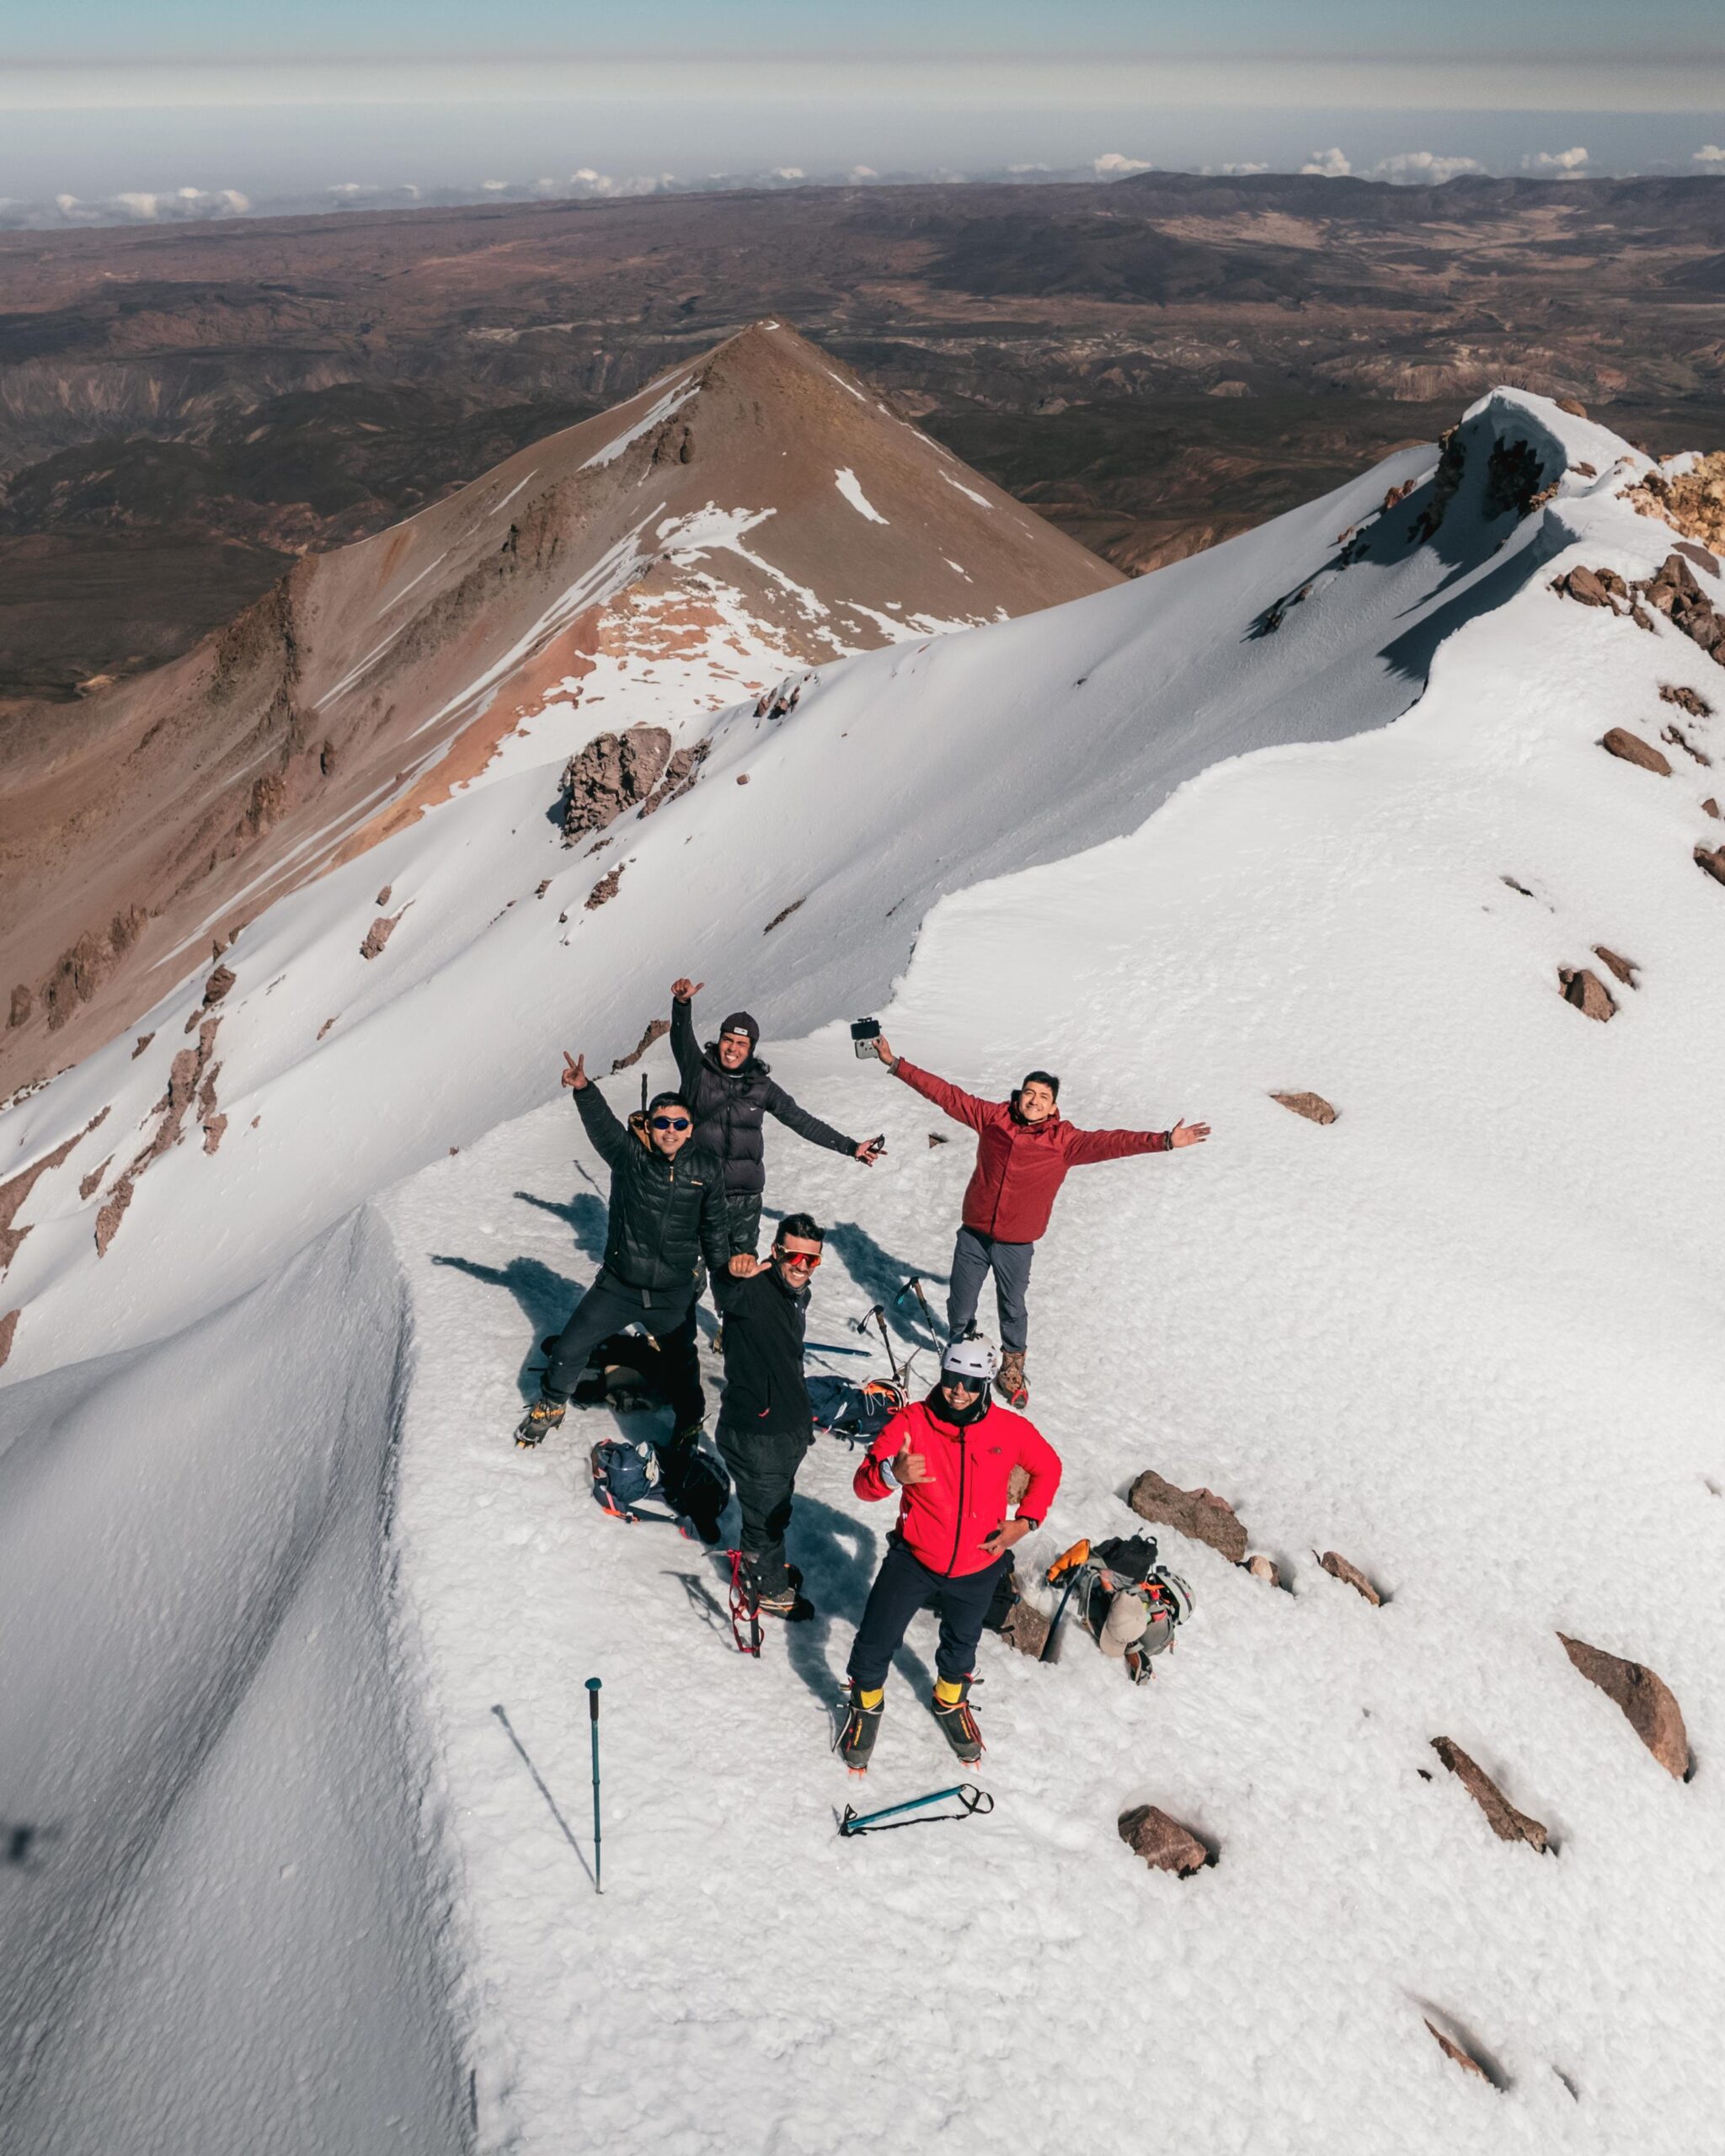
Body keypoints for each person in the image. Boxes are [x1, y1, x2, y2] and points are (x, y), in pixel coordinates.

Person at [871, 1034, 1210, 1407]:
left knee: (1012, 1307)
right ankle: (962, 1355)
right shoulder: (993, 1119)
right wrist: (896, 1064)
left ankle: (1011, 1368)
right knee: (961, 1306)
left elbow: (1114, 1142)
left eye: (1043, 1097)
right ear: (1019, 1096)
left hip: (1016, 1244)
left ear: (1053, 1107)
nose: (1034, 1101)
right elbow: (947, 1095)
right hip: (974, 1235)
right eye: (1029, 1093)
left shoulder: (1064, 1142)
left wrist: (1164, 1140)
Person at [836, 1336, 1062, 1772]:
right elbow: (863, 1486)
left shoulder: (1008, 1429)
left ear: (986, 1384)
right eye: (951, 1378)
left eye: (971, 1383)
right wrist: (892, 1474)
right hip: (914, 1560)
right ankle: (866, 1705)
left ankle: (949, 1701)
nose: (958, 1390)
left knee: (962, 1647)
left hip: (979, 1563)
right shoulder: (912, 1423)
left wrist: (1025, 1522)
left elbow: (1048, 1467)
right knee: (875, 1640)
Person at [515, 1054, 731, 1465]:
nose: (670, 1131)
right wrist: (584, 1089)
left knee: (683, 1366)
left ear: (690, 1130)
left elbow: (715, 1231)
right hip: (619, 1286)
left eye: (679, 1124)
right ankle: (553, 1404)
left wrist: (727, 1287)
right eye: (662, 1123)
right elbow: (603, 1127)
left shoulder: (705, 1170)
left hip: (672, 1294)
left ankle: (688, 1423)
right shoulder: (629, 1157)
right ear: (649, 1126)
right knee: (570, 1348)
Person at [670, 980, 880, 1288]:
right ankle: (679, 1320)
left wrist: (850, 1147)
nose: (732, 1048)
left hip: (744, 1200)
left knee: (740, 1275)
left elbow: (802, 1121)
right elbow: (681, 1039)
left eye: (741, 1044)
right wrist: (682, 1005)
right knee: (688, 1274)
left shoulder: (761, 1087)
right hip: (699, 1191)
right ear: (719, 1041)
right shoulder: (697, 1072)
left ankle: (733, 1320)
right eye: (728, 1040)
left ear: (751, 1049)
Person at [715, 1212, 825, 1620]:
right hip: (757, 1435)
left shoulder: (797, 1294)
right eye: (794, 1256)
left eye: (811, 1260)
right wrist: (731, 1272)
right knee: (764, 1521)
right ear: (776, 1251)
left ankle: (766, 1565)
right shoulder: (752, 1289)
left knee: (776, 1508)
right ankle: (767, 1586)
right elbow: (728, 1293)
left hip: (786, 1429)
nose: (802, 1266)